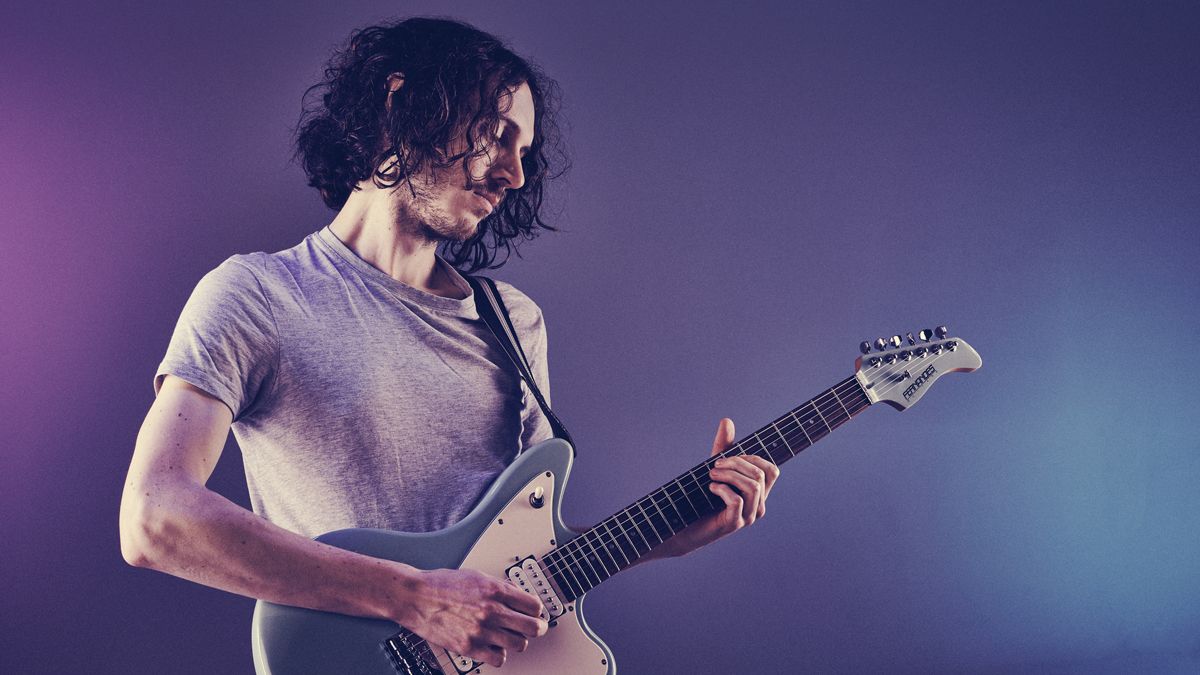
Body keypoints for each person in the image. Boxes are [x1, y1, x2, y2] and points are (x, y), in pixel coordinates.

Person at [119, 17, 780, 670]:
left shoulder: (513, 322)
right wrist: (411, 597)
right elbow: (154, 515)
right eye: (498, 136)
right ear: (403, 103)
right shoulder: (258, 293)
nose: (516, 175)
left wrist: (670, 536)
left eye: (527, 151)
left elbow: (521, 563)